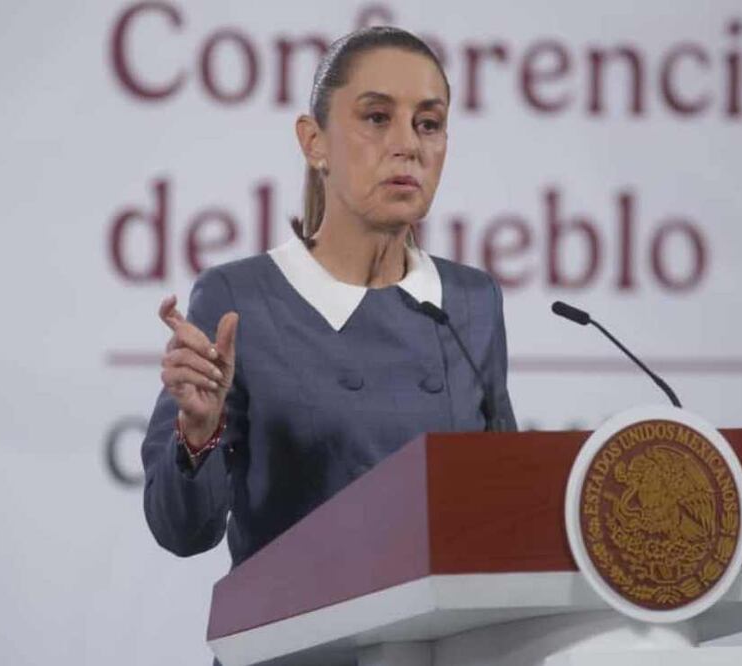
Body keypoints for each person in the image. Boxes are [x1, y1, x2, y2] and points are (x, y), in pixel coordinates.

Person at [141, 26, 517, 568]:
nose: (408, 144)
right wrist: (198, 433)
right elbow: (182, 531)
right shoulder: (239, 299)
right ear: (314, 142)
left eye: (428, 124)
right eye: (376, 118)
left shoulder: (470, 301)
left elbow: (507, 500)